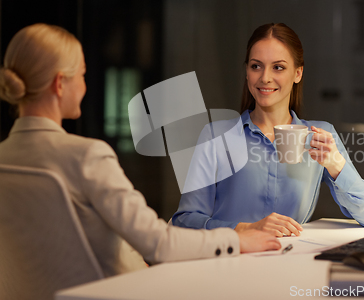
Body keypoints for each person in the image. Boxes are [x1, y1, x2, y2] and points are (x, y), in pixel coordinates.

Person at [0, 23, 280, 277]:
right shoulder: (86, 157)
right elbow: (159, 243)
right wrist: (238, 240)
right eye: (83, 75)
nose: (85, 85)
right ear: (60, 84)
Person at [172, 23, 364, 236]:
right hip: (232, 261)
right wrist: (245, 229)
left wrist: (336, 164)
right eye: (256, 66)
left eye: (278, 67)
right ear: (247, 72)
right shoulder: (216, 136)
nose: (265, 77)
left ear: (298, 73)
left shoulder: (320, 135)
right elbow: (185, 220)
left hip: (291, 260)